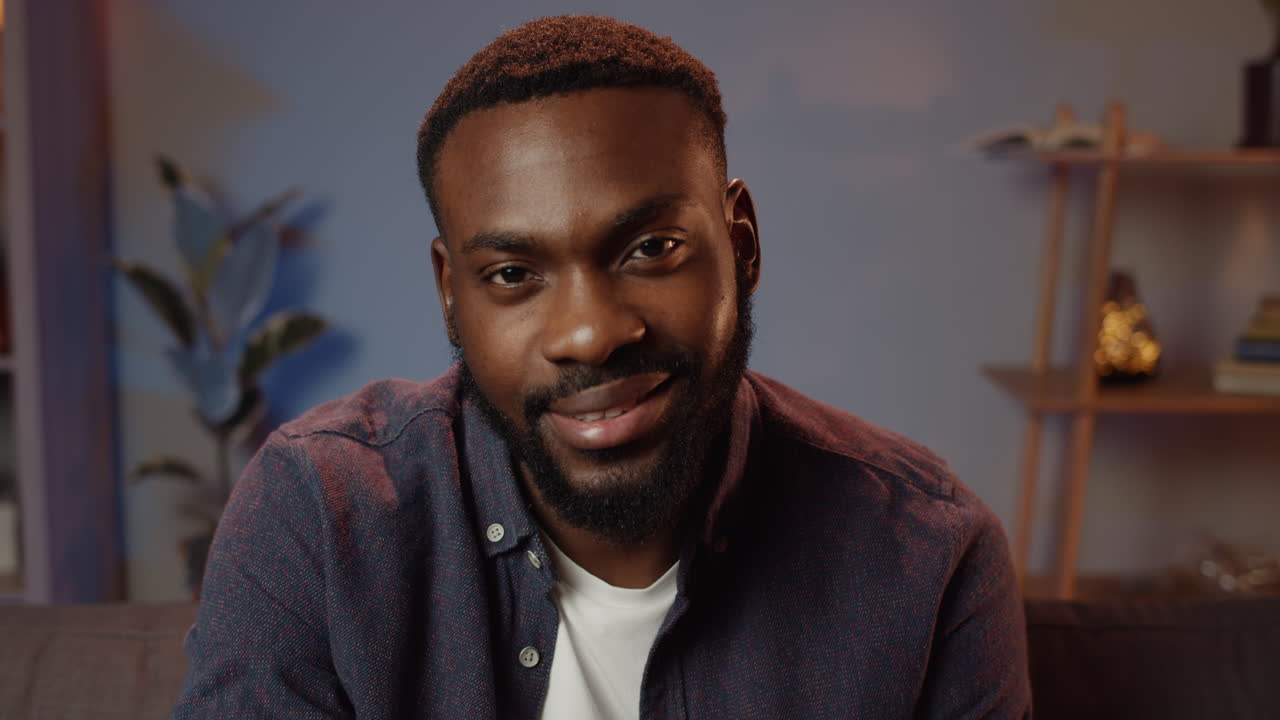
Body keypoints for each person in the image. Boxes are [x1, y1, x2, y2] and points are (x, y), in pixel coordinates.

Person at [175, 14, 1029, 719]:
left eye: (650, 248)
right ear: (450, 293)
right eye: (513, 274)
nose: (589, 334)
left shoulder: (930, 559)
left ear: (741, 245)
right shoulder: (317, 519)